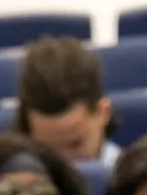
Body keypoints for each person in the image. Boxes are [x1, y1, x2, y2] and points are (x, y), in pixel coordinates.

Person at [16, 34, 120, 168]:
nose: (64, 163)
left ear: (103, 113)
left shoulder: (133, 183)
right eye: (47, 149)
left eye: (75, 144)